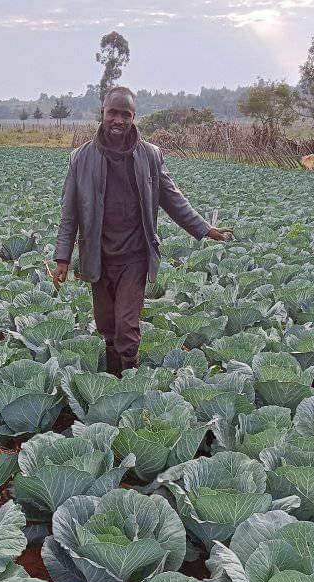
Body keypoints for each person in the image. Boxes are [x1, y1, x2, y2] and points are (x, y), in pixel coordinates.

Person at [52, 87, 233, 374]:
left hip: (135, 256)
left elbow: (173, 199)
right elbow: (69, 213)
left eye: (126, 115)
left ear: (134, 117)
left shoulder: (150, 155)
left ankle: (131, 381)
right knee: (107, 327)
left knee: (126, 327)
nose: (118, 120)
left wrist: (204, 228)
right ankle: (113, 385)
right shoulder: (81, 158)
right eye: (113, 113)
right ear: (103, 113)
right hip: (97, 256)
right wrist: (62, 258)